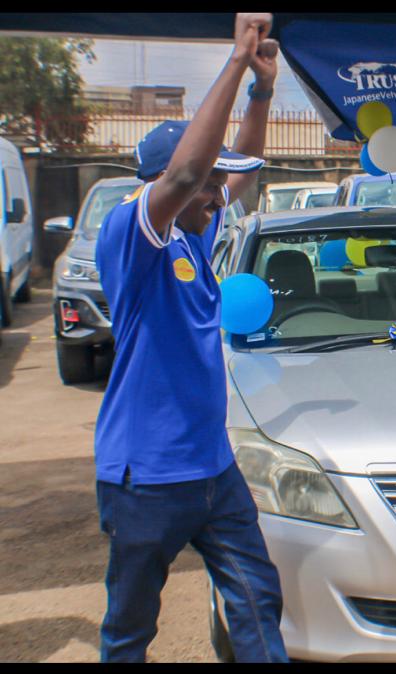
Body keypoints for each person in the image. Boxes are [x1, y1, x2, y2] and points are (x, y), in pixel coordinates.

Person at [93, 13, 288, 662]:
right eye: (208, 178)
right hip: (145, 476)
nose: (218, 191)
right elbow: (184, 179)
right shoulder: (132, 232)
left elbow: (242, 173)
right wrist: (234, 62)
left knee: (258, 602)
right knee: (130, 627)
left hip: (212, 469)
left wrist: (262, 89)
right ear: (165, 180)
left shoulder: (197, 233)